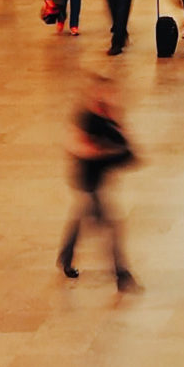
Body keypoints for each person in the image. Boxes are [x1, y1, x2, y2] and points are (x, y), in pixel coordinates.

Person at [57, 76, 139, 292]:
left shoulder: (106, 118)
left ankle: (65, 255)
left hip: (98, 181)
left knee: (80, 216)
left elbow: (126, 146)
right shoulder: (85, 118)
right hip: (88, 182)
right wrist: (100, 152)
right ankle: (122, 275)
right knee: (112, 227)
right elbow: (75, 146)